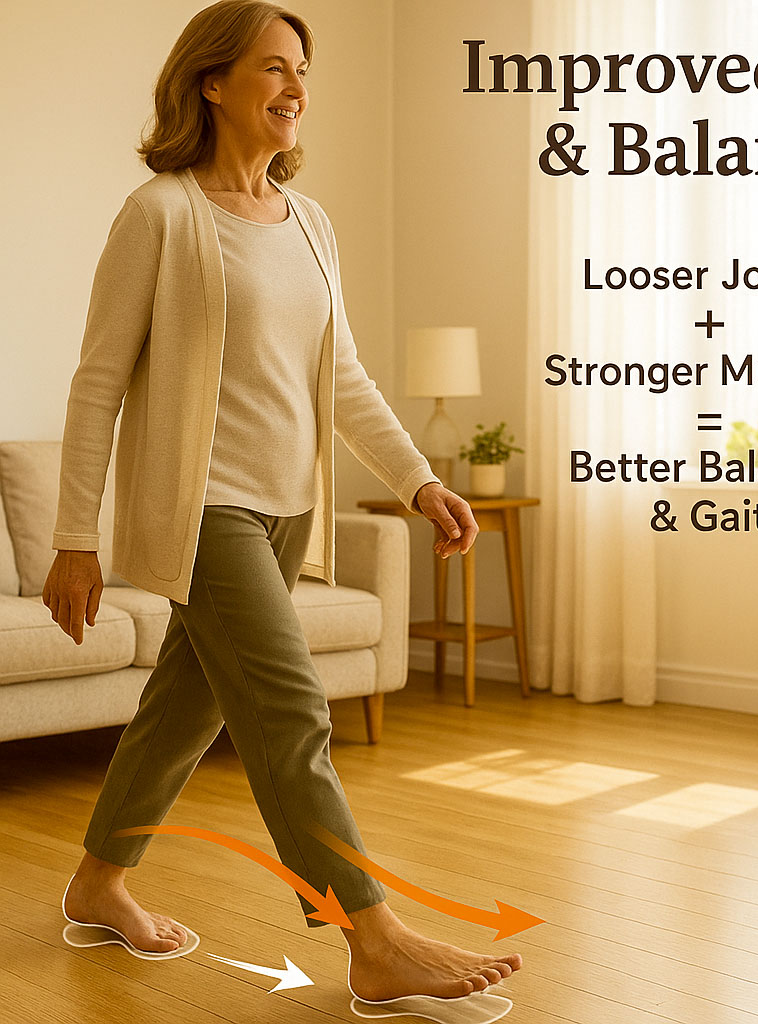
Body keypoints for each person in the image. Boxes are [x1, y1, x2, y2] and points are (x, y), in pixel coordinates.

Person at [42, 0, 522, 1002]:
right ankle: (372, 933)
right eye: (272, 68)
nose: (296, 87)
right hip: (202, 511)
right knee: (293, 706)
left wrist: (419, 481)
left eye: (303, 69)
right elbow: (97, 384)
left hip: (285, 512)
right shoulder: (161, 214)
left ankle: (97, 884)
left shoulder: (310, 223)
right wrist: (74, 539)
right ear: (210, 82)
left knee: (183, 710)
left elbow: (341, 377)